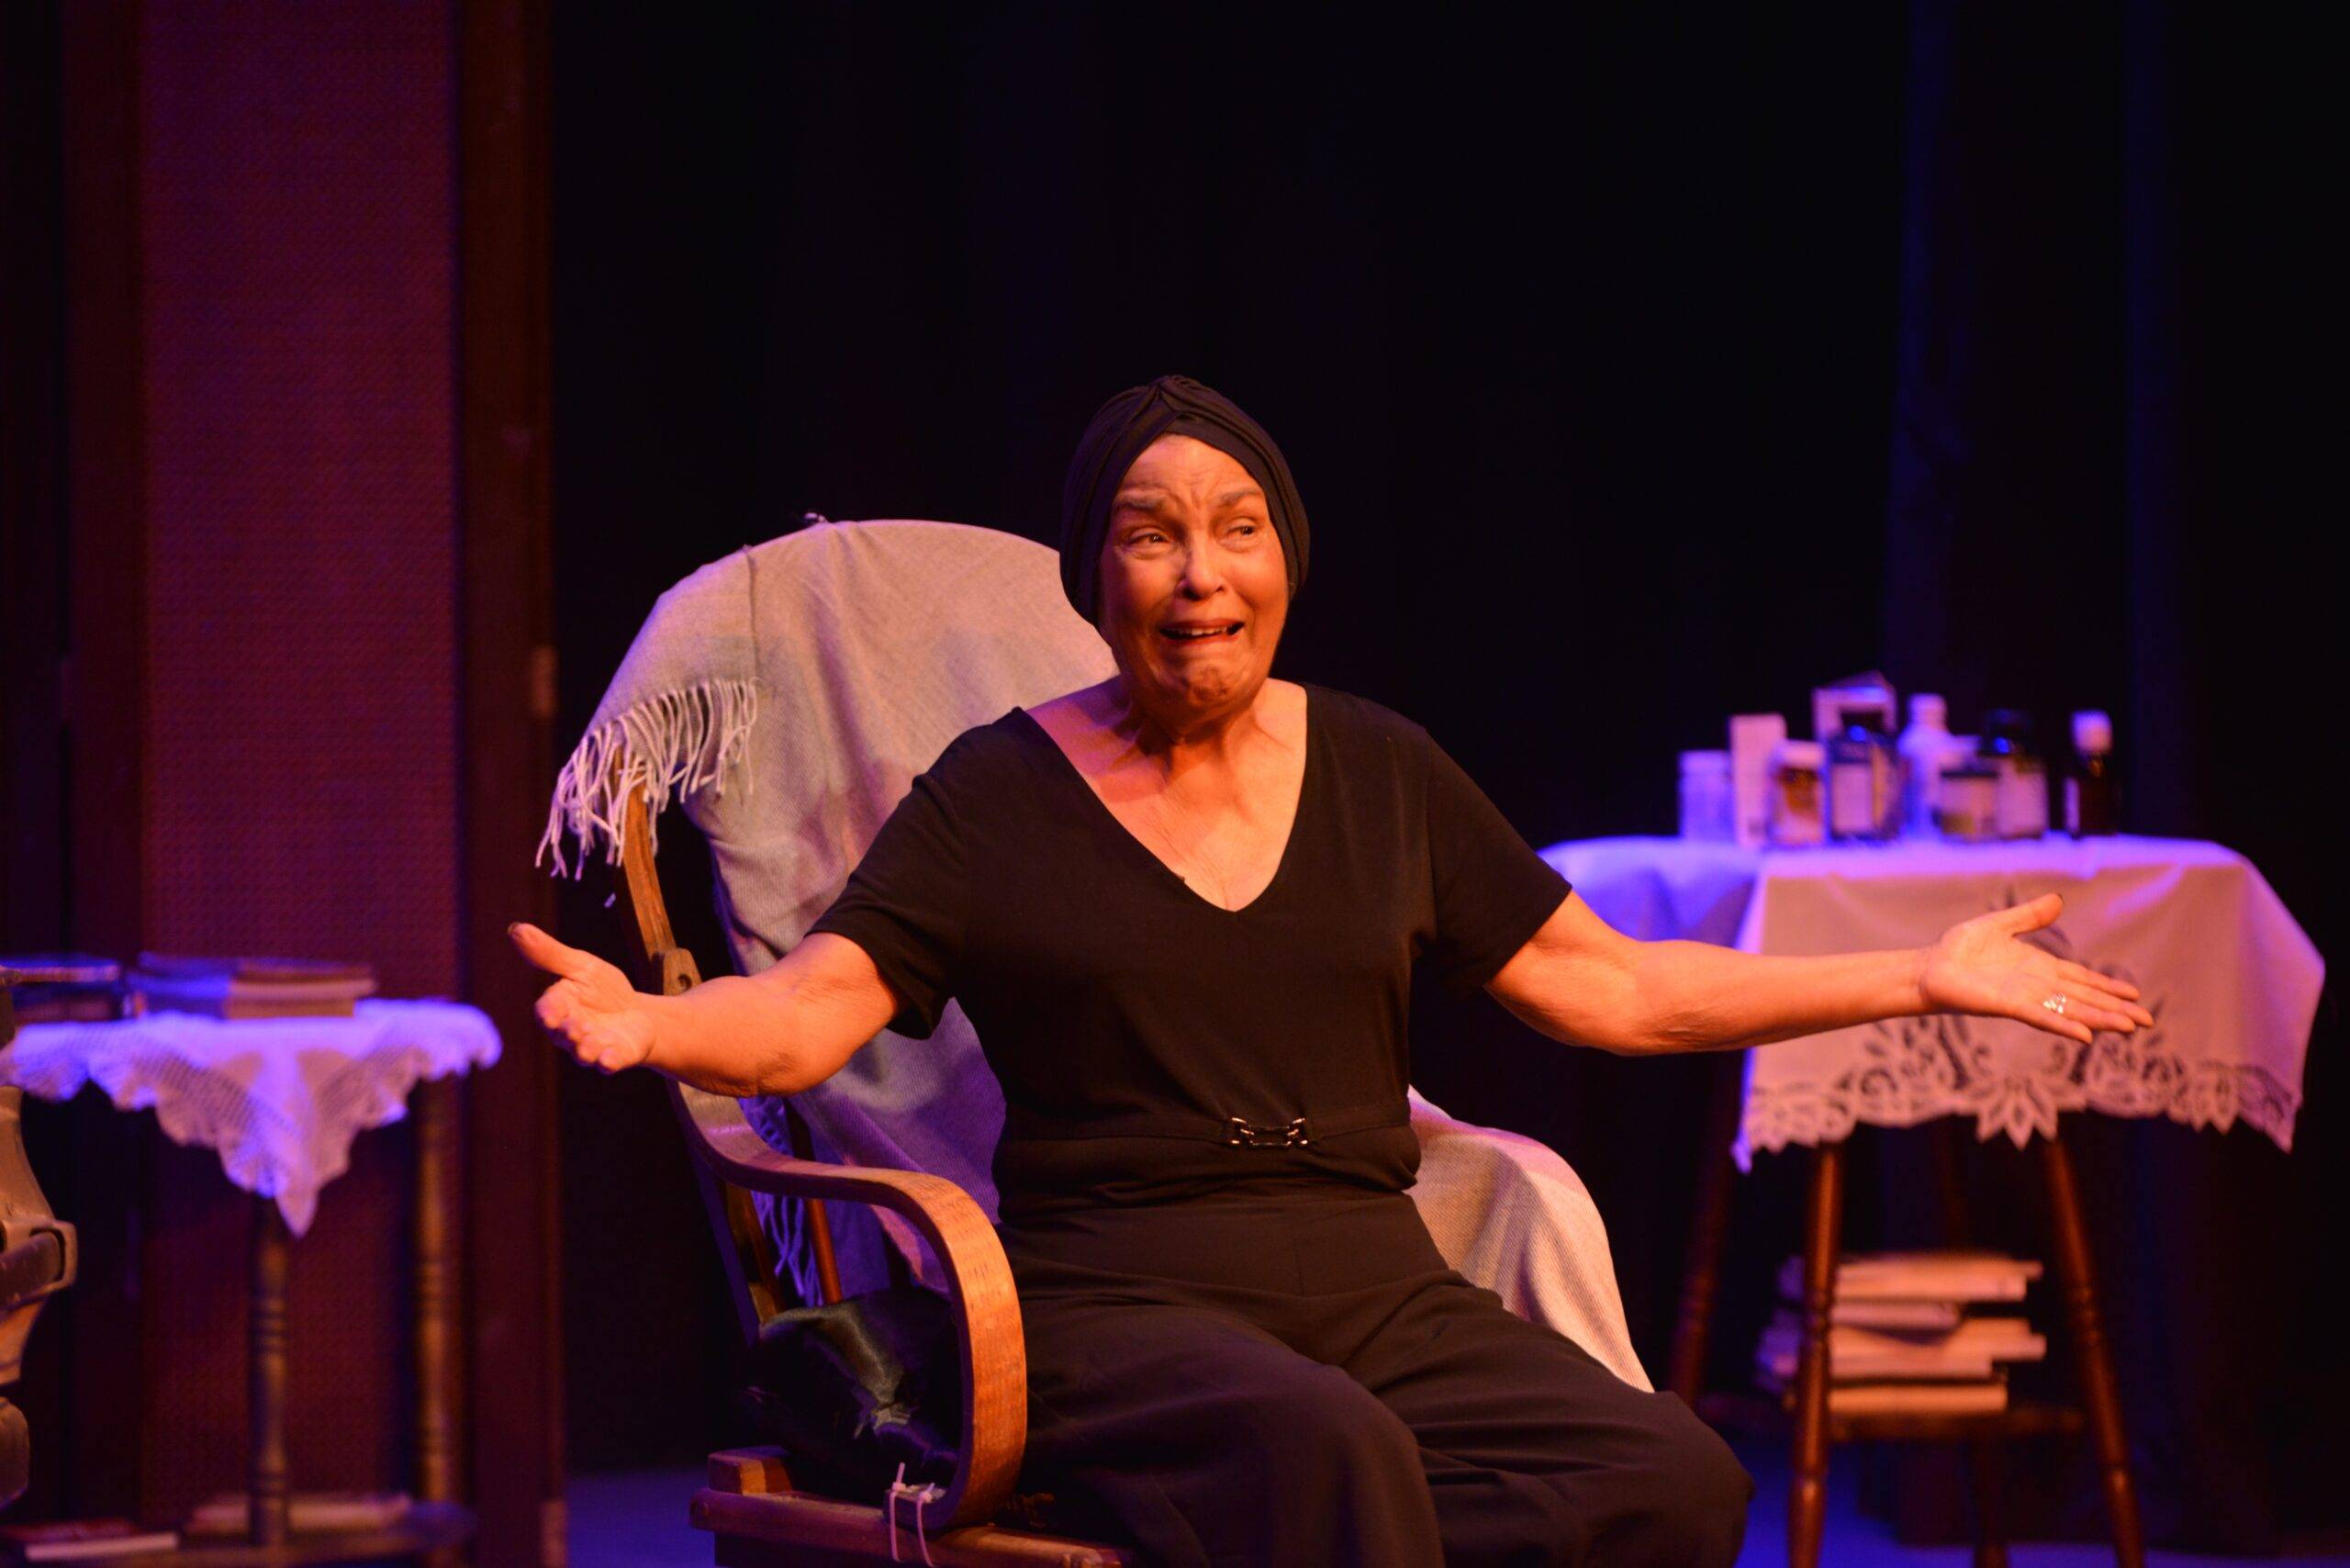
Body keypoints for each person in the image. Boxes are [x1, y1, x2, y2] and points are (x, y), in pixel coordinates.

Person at [511, 375, 2154, 1566]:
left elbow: (1621, 988)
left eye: (1239, 531)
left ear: (1286, 560)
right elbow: (813, 1011)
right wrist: (663, 1022)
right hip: (1117, 1301)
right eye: (1152, 537)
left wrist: (1918, 977)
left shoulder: (1381, 771)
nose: (1201, 574)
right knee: (1333, 1457)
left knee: (1667, 1479)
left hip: (1376, 1288)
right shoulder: (995, 793)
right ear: (1095, 581)